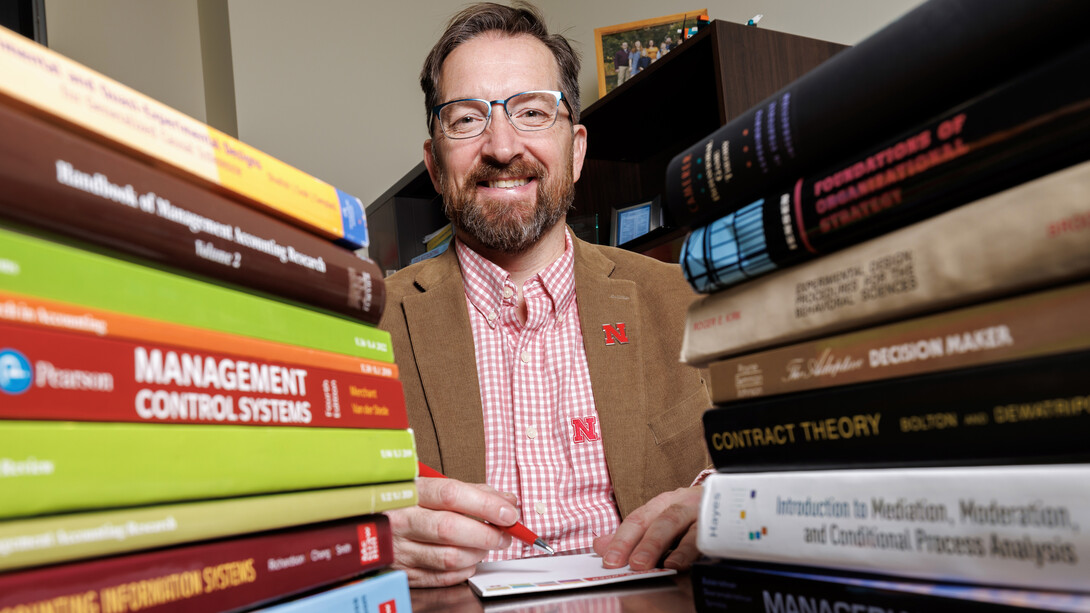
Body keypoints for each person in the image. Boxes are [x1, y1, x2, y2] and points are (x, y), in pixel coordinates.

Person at [380, 1, 711, 588]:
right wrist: (365, 535)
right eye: (465, 120)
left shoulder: (688, 298)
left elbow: (790, 459)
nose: (503, 147)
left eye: (533, 112)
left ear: (577, 149)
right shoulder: (365, 324)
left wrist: (719, 497)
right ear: (434, 166)